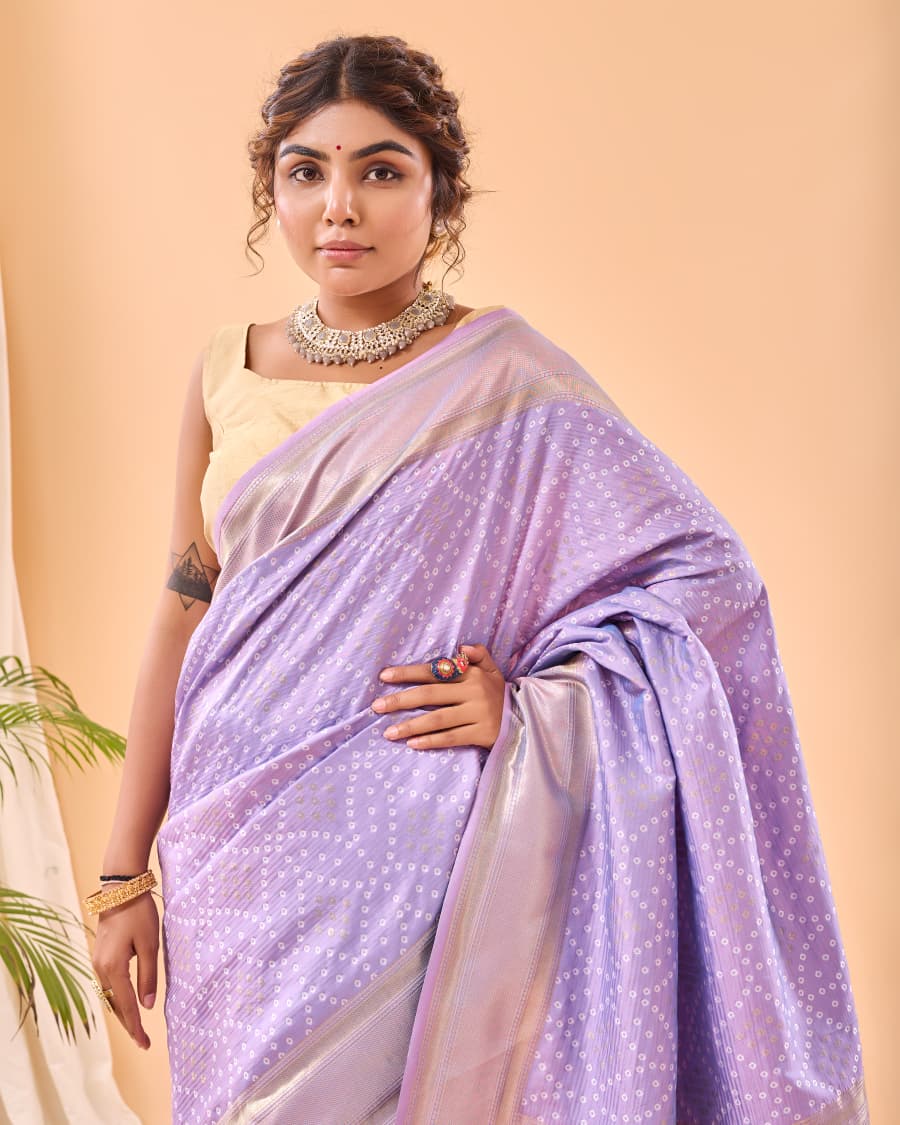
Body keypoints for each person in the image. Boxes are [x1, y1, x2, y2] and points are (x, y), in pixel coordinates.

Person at [86, 33, 870, 1125]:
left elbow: (705, 585)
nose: (340, 207)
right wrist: (122, 874)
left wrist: (536, 709)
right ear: (273, 189)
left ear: (439, 193)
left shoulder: (508, 381)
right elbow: (183, 612)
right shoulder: (229, 368)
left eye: (381, 169)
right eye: (308, 171)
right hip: (235, 854)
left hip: (415, 847)